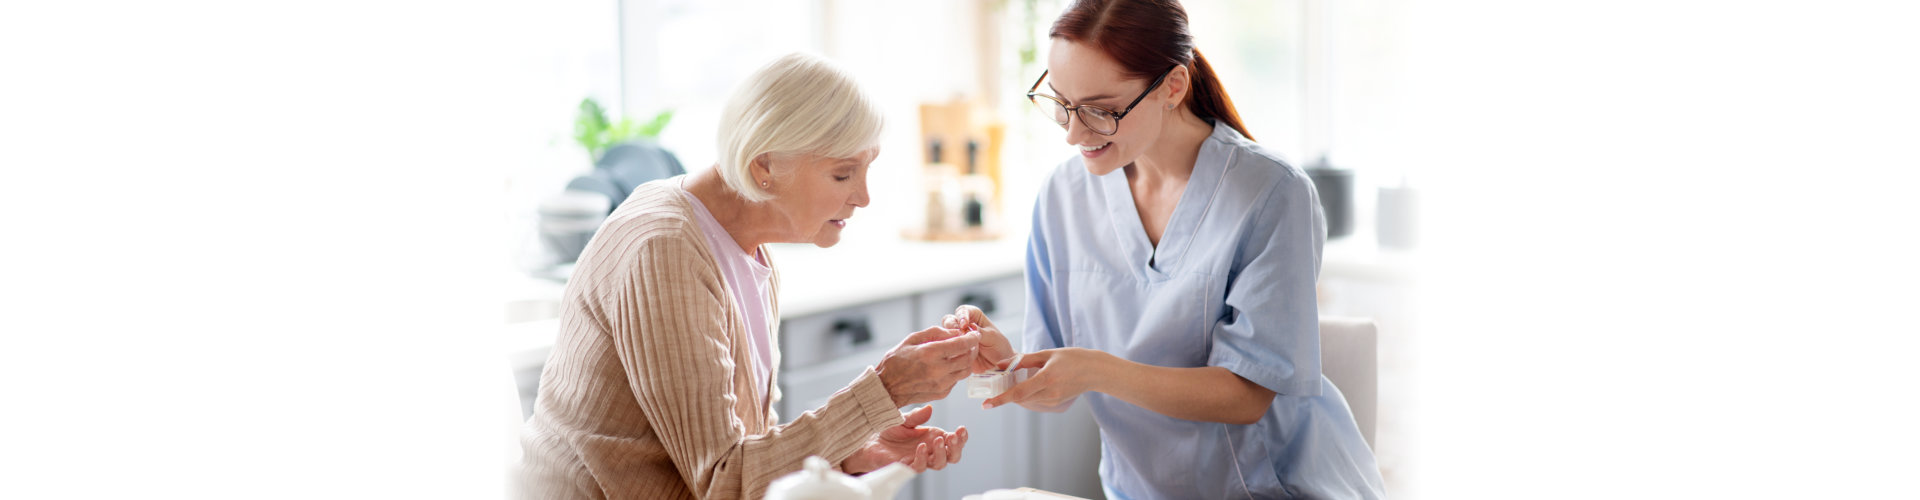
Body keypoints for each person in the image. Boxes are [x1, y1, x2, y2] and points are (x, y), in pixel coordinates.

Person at [947, 0, 1386, 497]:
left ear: (1172, 87)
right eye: (1061, 103)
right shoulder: (1062, 196)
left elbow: (1247, 395)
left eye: (1101, 110)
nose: (1072, 133)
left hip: (1278, 488)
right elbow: (1056, 392)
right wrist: (1010, 368)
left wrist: (1095, 368)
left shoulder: (1272, 193)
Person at [519, 53, 982, 500]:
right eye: (843, 175)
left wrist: (850, 453)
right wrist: (885, 389)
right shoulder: (667, 249)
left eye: (866, 168)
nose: (863, 197)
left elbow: (741, 456)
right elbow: (724, 482)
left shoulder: (747, 247)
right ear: (765, 168)